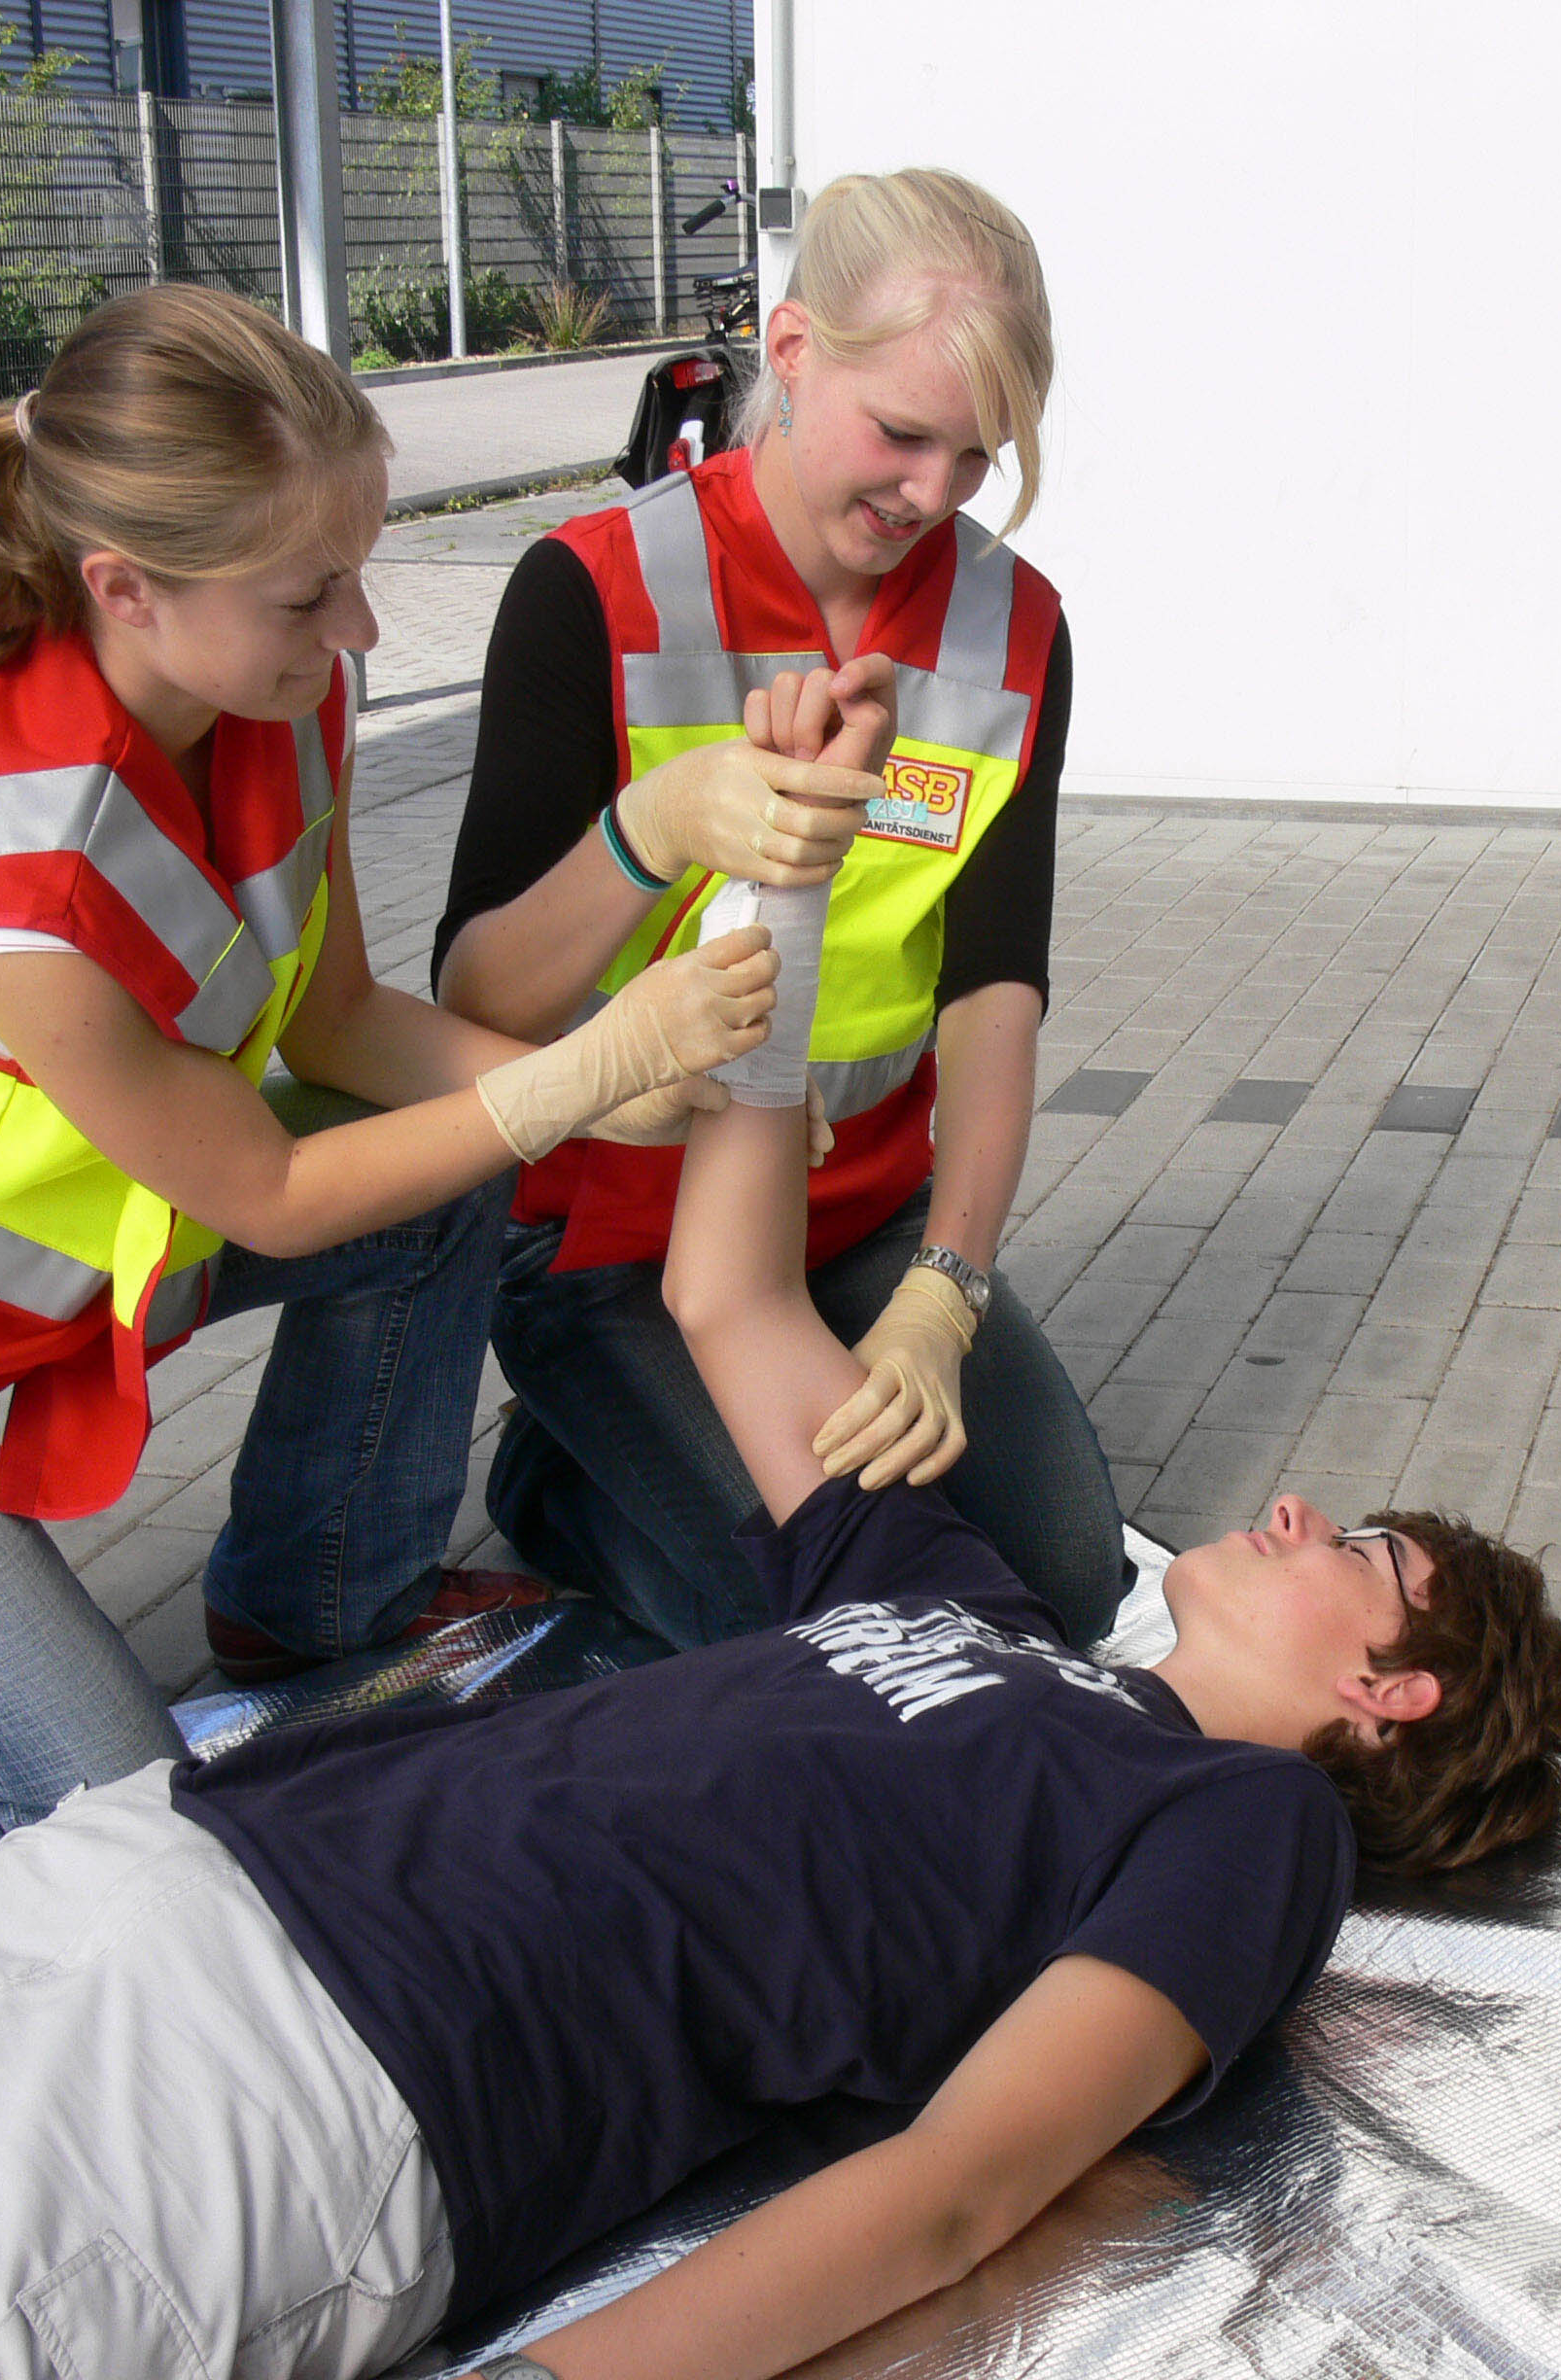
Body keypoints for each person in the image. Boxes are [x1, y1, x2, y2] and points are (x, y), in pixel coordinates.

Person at [0, 893, 1561, 2379]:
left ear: (1388, 1690)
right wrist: (778, 908)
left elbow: (963, 2187)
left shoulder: (1247, 1836)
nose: (1283, 1511)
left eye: (1359, 1545)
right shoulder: (968, 1604)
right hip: (193, 1866)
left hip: (353, 2080)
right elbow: (732, 1302)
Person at [0, 284, 783, 1842]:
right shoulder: (12, 881)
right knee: (89, 1810)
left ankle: (317, 1613)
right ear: (126, 588)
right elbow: (277, 1191)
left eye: (355, 574)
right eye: (313, 594)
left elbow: (342, 1026)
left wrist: (598, 1084)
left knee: (439, 1186)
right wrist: (574, 1072)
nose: (359, 629)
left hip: (33, 1295)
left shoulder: (277, 691)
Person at [434, 165, 1128, 1657]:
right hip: (606, 1243)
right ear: (796, 352)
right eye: (901, 434)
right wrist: (651, 828)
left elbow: (996, 990)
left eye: (978, 456)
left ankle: (632, 1451)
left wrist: (947, 1289)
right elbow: (479, 992)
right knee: (822, 1634)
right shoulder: (592, 590)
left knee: (1065, 1592)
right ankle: (560, 1470)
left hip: (863, 1223)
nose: (932, 495)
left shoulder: (1018, 629)